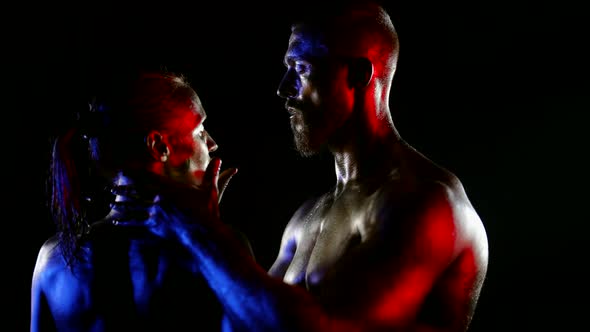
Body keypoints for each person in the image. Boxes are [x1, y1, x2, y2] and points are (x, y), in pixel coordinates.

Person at [143, 1, 489, 332]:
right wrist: (201, 232)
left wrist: (204, 235)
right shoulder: (308, 217)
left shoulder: (427, 205)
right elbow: (248, 320)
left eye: (301, 70)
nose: (283, 89)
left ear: (356, 74)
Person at [30, 69, 242, 331]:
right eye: (199, 131)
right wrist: (212, 235)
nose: (212, 144)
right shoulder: (215, 251)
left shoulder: (53, 260)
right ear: (159, 146)